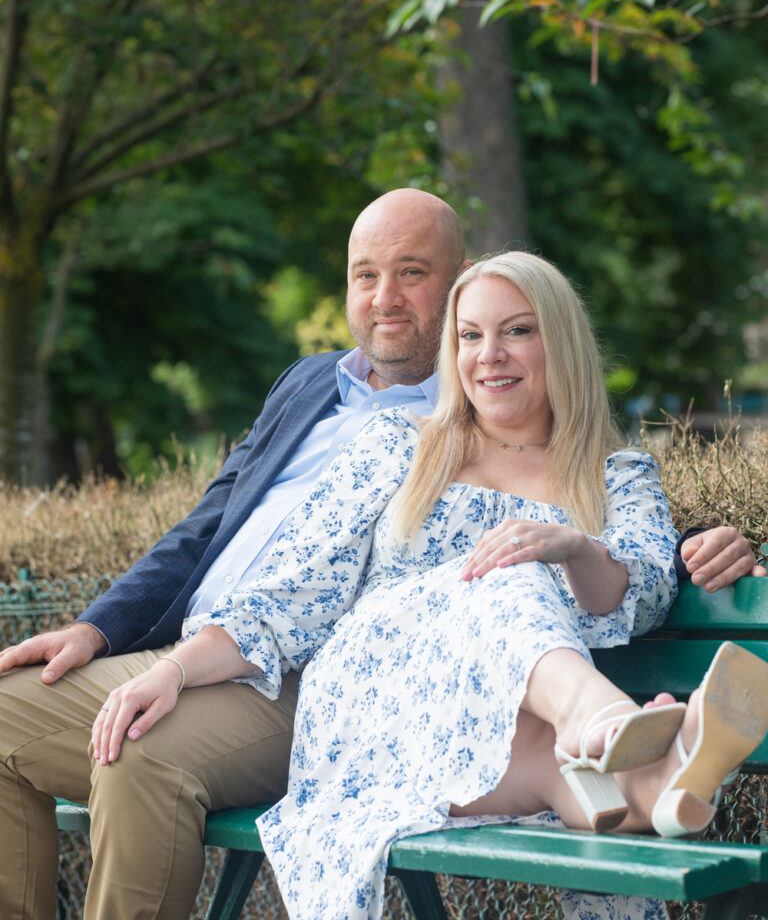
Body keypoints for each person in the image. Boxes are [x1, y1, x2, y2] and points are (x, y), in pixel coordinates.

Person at [0, 187, 758, 920]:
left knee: (532, 715)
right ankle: (613, 724)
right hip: (364, 703)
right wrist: (160, 660)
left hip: (473, 733)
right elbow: (288, 590)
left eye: (518, 332)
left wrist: (569, 546)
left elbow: (648, 584)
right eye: (471, 336)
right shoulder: (404, 446)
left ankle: (648, 779)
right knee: (506, 581)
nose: (490, 355)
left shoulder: (618, 476)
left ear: (560, 340)